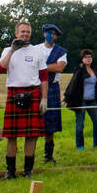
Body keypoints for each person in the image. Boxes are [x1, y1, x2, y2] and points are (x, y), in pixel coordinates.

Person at [0, 20, 49, 178]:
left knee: (31, 136)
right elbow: (0, 69)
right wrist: (13, 50)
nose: (25, 34)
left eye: (27, 32)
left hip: (32, 93)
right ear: (16, 33)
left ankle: (28, 171)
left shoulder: (37, 51)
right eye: (22, 32)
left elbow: (44, 77)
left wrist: (44, 98)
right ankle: (10, 171)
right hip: (14, 92)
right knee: (11, 136)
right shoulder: (7, 50)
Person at [63, 50, 97, 149]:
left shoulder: (95, 70)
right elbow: (72, 85)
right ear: (82, 59)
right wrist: (66, 97)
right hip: (81, 101)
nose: (88, 59)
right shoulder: (79, 71)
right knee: (80, 124)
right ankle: (80, 146)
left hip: (92, 101)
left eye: (90, 57)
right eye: (86, 57)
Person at [39, 25, 69, 164]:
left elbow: (60, 67)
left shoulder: (61, 51)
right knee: (34, 121)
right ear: (44, 33)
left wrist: (41, 67)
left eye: (55, 34)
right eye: (50, 33)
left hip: (52, 88)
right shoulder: (36, 49)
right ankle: (30, 153)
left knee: (50, 123)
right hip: (35, 86)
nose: (52, 35)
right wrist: (49, 67)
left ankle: (48, 155)